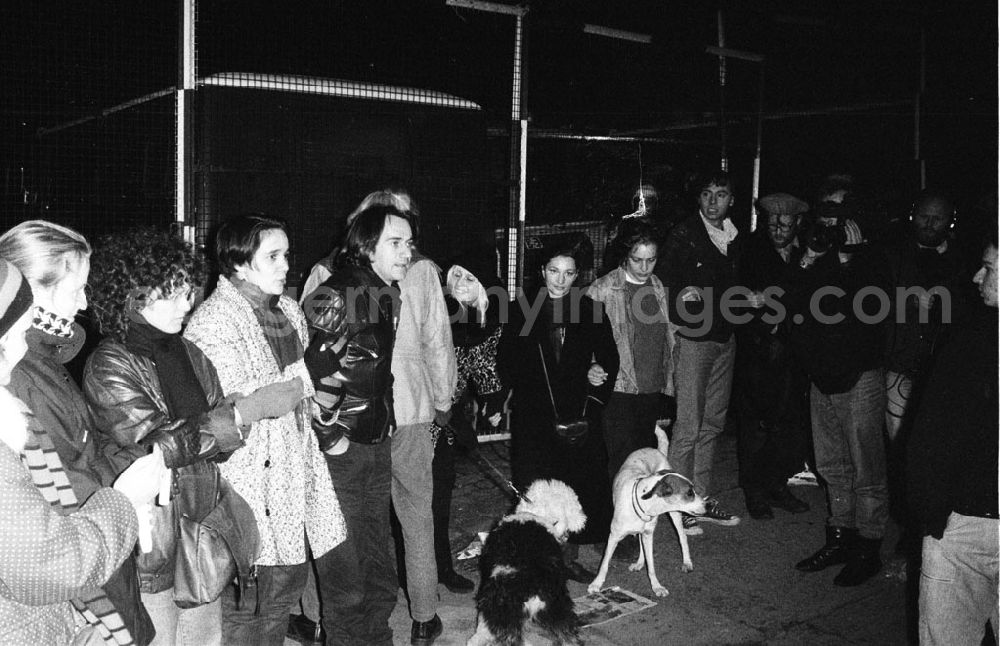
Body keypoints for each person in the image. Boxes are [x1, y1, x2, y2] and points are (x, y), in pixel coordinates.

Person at [83, 228, 272, 645]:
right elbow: (152, 447)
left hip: (201, 526)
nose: (187, 304)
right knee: (159, 637)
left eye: (189, 292)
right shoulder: (108, 364)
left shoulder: (190, 353)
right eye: (174, 293)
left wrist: (226, 424)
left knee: (207, 639)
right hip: (151, 541)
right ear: (135, 295)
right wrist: (228, 421)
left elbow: (219, 437)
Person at [184, 214, 346, 645]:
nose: (285, 265)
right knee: (243, 608)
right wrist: (309, 373)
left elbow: (305, 393)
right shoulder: (212, 321)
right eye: (272, 256)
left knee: (280, 599)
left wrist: (326, 401)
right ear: (239, 264)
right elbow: (242, 401)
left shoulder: (289, 310)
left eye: (286, 254)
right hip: (247, 485)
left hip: (292, 478)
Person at [0, 220, 155, 644]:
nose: (85, 301)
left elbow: (78, 449)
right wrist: (128, 489)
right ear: (32, 290)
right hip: (81, 565)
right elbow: (60, 496)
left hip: (90, 551)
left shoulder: (45, 359)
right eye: (76, 288)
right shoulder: (22, 373)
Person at [303, 204, 413, 646]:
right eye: (395, 242)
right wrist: (331, 439)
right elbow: (311, 370)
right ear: (367, 247)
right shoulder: (344, 292)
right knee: (345, 571)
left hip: (373, 442)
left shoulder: (382, 290)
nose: (407, 252)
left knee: (378, 562)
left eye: (408, 243)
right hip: (344, 451)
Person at [497, 240, 619, 582]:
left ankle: (566, 559)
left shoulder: (591, 309)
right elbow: (506, 359)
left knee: (573, 491)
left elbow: (608, 359)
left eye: (568, 273)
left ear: (577, 275)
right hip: (535, 416)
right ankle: (534, 561)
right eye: (553, 271)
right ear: (542, 272)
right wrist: (504, 396)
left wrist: (595, 379)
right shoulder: (522, 309)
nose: (560, 281)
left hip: (577, 415)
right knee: (536, 492)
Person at [790, 200, 890, 586]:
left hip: (859, 375)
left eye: (837, 224)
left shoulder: (872, 261)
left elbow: (870, 309)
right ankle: (840, 537)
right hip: (822, 375)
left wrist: (851, 257)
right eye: (824, 223)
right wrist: (810, 258)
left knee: (866, 467)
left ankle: (868, 548)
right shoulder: (816, 258)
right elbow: (793, 301)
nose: (830, 231)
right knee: (831, 465)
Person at [907, 231, 998, 645]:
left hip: (966, 529)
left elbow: (931, 434)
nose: (978, 276)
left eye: (990, 268)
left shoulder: (971, 341)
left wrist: (928, 513)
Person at [380, 193, 455, 646]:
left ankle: (316, 616)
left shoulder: (327, 273)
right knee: (417, 515)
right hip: (410, 412)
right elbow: (437, 342)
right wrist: (443, 401)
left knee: (352, 521)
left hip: (357, 420)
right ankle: (424, 616)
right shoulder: (423, 271)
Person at [654, 170, 745, 536]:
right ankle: (676, 504)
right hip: (694, 339)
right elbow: (658, 288)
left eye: (720, 195)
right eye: (706, 193)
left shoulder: (736, 237)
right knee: (688, 425)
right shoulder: (683, 235)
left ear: (731, 200)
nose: (712, 202)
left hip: (725, 338)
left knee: (713, 424)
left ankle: (700, 499)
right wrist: (679, 297)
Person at [587, 218, 675, 560]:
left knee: (642, 463)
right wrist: (590, 367)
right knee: (619, 465)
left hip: (650, 388)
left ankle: (636, 522)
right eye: (637, 259)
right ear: (624, 256)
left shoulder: (657, 287)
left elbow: (664, 338)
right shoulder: (602, 289)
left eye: (650, 259)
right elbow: (582, 339)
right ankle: (614, 530)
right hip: (619, 390)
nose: (643, 266)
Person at [736, 193, 812, 520]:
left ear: (798, 222)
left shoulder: (805, 253)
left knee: (789, 425)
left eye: (785, 223)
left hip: (794, 352)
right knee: (756, 427)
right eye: (771, 223)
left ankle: (778, 486)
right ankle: (754, 492)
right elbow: (740, 299)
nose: (778, 229)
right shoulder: (751, 250)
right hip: (759, 351)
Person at [437, 243, 507, 591]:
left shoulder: (484, 318)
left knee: (443, 490)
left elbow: (482, 363)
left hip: (452, 415)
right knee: (430, 494)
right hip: (427, 414)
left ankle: (439, 564)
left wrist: (494, 402)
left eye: (469, 277)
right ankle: (433, 566)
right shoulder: (440, 311)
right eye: (456, 276)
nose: (461, 283)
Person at [883, 190, 965, 441]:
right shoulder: (891, 257)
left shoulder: (964, 262)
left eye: (937, 218)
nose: (929, 224)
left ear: (950, 221)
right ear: (911, 217)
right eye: (923, 216)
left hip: (943, 373)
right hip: (898, 367)